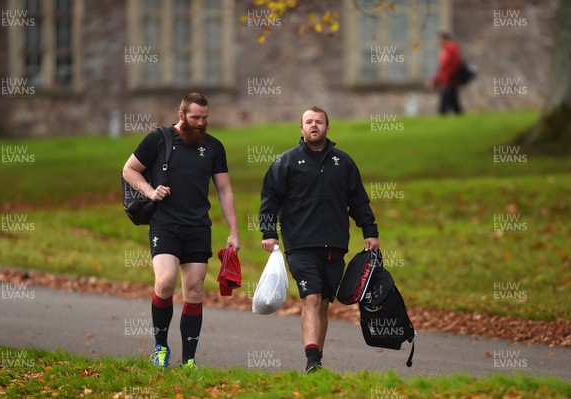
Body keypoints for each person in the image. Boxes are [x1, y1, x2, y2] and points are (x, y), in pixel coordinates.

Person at [122, 93, 240, 368]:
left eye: (204, 118)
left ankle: (189, 360)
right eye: (195, 117)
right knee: (165, 282)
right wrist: (150, 191)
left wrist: (234, 231)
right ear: (181, 114)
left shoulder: (213, 147)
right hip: (165, 223)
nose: (200, 123)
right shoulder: (159, 139)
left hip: (198, 227)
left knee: (195, 290)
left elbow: (224, 189)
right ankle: (161, 347)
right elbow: (129, 170)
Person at [259, 106, 380, 373]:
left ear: (327, 127)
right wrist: (268, 233)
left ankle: (317, 361)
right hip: (300, 245)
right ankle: (311, 360)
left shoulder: (343, 162)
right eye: (309, 122)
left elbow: (358, 200)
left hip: (334, 246)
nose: (314, 126)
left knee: (324, 303)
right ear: (301, 128)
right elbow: (269, 202)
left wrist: (369, 230)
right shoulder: (286, 162)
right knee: (311, 298)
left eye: (319, 122)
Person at [426, 32, 464, 114]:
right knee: (454, 105)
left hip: (449, 81)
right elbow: (442, 69)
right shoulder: (446, 51)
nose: (439, 42)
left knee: (444, 106)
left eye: (440, 40)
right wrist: (435, 81)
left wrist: (444, 79)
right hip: (448, 81)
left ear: (445, 40)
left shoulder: (450, 50)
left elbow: (449, 68)